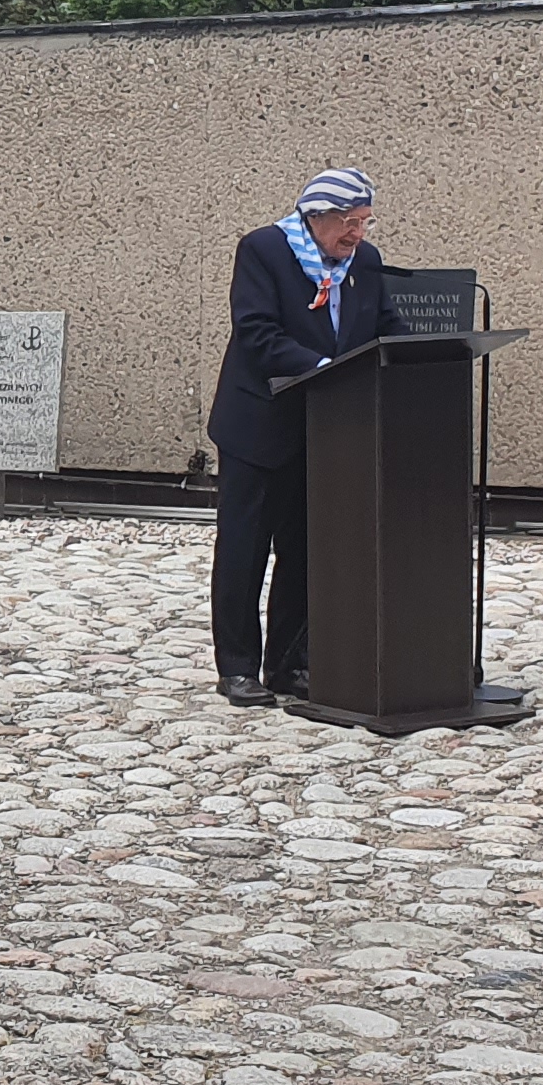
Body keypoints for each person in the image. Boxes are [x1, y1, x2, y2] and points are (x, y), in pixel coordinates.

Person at [207, 167, 386, 706]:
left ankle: (289, 664)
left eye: (364, 222)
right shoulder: (264, 249)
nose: (357, 234)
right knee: (245, 550)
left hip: (327, 433)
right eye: (349, 223)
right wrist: (327, 368)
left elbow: (384, 325)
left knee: (305, 553)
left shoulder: (367, 263)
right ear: (316, 218)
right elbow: (257, 333)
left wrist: (417, 360)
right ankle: (237, 667)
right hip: (258, 427)